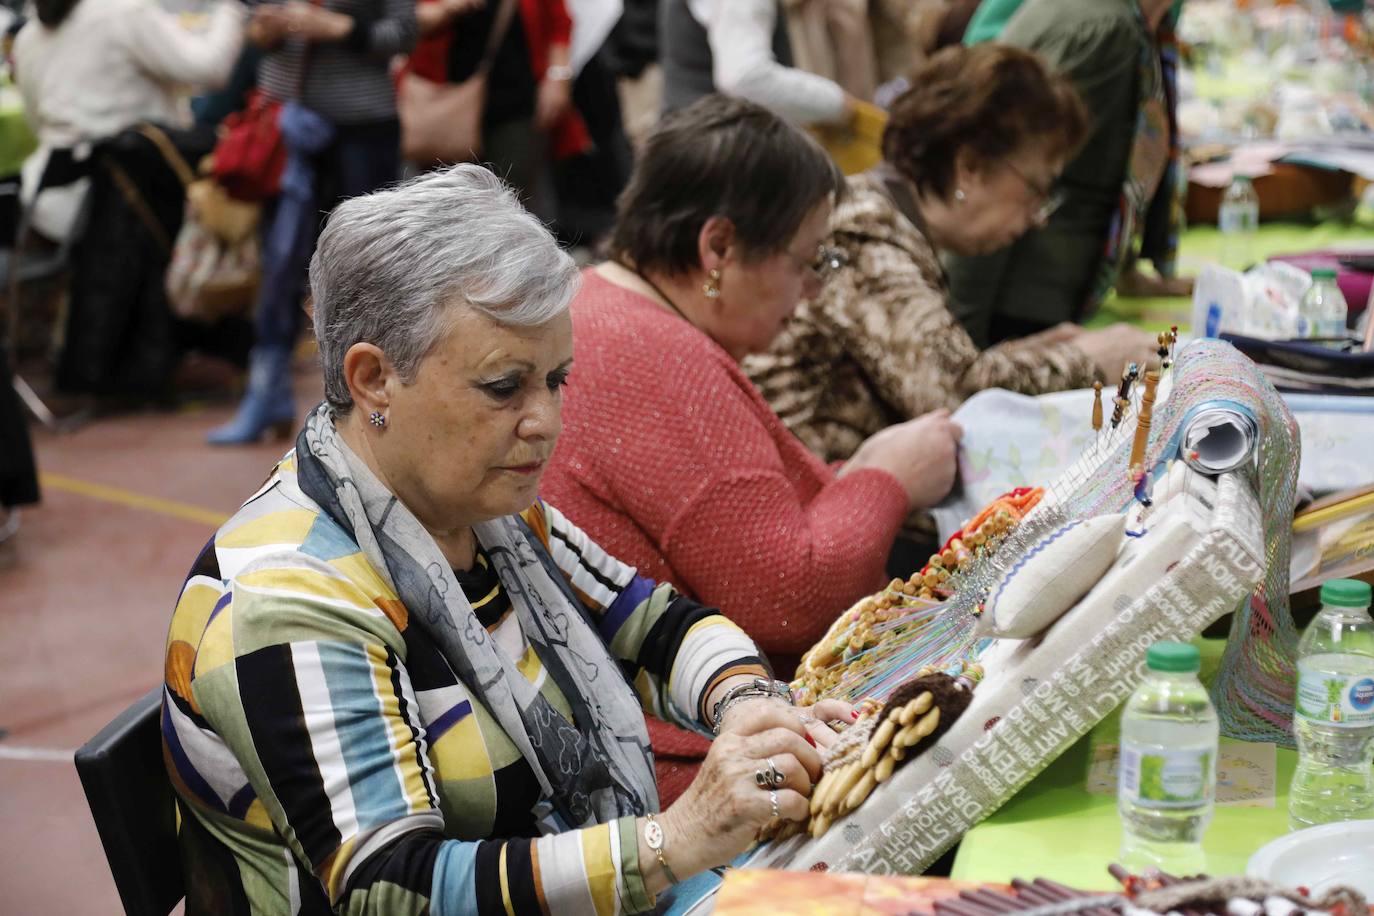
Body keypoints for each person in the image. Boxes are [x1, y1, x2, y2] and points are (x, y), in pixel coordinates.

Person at [163, 165, 850, 914]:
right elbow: (390, 887)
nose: (546, 421)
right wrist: (667, 843)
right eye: (504, 387)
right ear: (372, 379)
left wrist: (746, 703)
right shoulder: (288, 593)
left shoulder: (481, 510)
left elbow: (653, 623)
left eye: (557, 380)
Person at [540, 95, 962, 803]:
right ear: (719, 249)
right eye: (809, 261)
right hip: (670, 777)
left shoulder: (606, 307)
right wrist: (887, 479)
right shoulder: (651, 353)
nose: (806, 296)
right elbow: (787, 597)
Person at [744, 45, 1159, 465]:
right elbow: (954, 395)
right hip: (809, 492)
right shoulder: (865, 237)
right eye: (1036, 189)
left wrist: (1026, 355)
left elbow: (931, 367)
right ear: (969, 167)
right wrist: (1089, 362)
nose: (1038, 217)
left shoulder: (881, 220)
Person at [207, 0, 416, 444]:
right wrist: (267, 30)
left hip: (362, 129)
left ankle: (365, 408)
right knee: (280, 264)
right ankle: (267, 395)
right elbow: (252, 27)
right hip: (288, 128)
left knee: (366, 276)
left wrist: (338, 28)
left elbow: (404, 32)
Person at [945, 0, 1190, 347]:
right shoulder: (1104, 31)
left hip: (1031, 302)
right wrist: (962, 347)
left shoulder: (1126, 21)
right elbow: (992, 181)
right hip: (1014, 314)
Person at [12, 0, 243, 243]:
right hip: (128, 211)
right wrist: (230, 9)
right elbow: (210, 69)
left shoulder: (28, 37)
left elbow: (37, 124)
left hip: (47, 206)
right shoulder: (123, 12)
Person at [403, 0, 589, 215]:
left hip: (518, 102)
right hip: (444, 104)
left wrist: (558, 76)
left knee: (509, 201)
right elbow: (405, 24)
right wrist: (448, 7)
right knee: (444, 203)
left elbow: (558, 21)